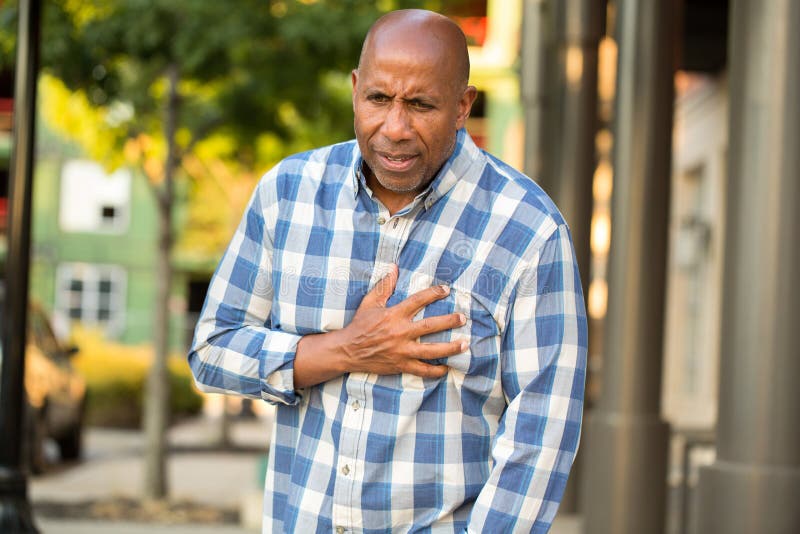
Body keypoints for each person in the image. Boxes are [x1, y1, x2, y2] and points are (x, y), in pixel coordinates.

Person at [189, 9, 587, 533]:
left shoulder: (529, 231)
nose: (395, 128)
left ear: (464, 106)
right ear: (356, 89)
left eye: (421, 105)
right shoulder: (288, 194)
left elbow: (542, 433)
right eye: (379, 99)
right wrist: (344, 350)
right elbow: (213, 350)